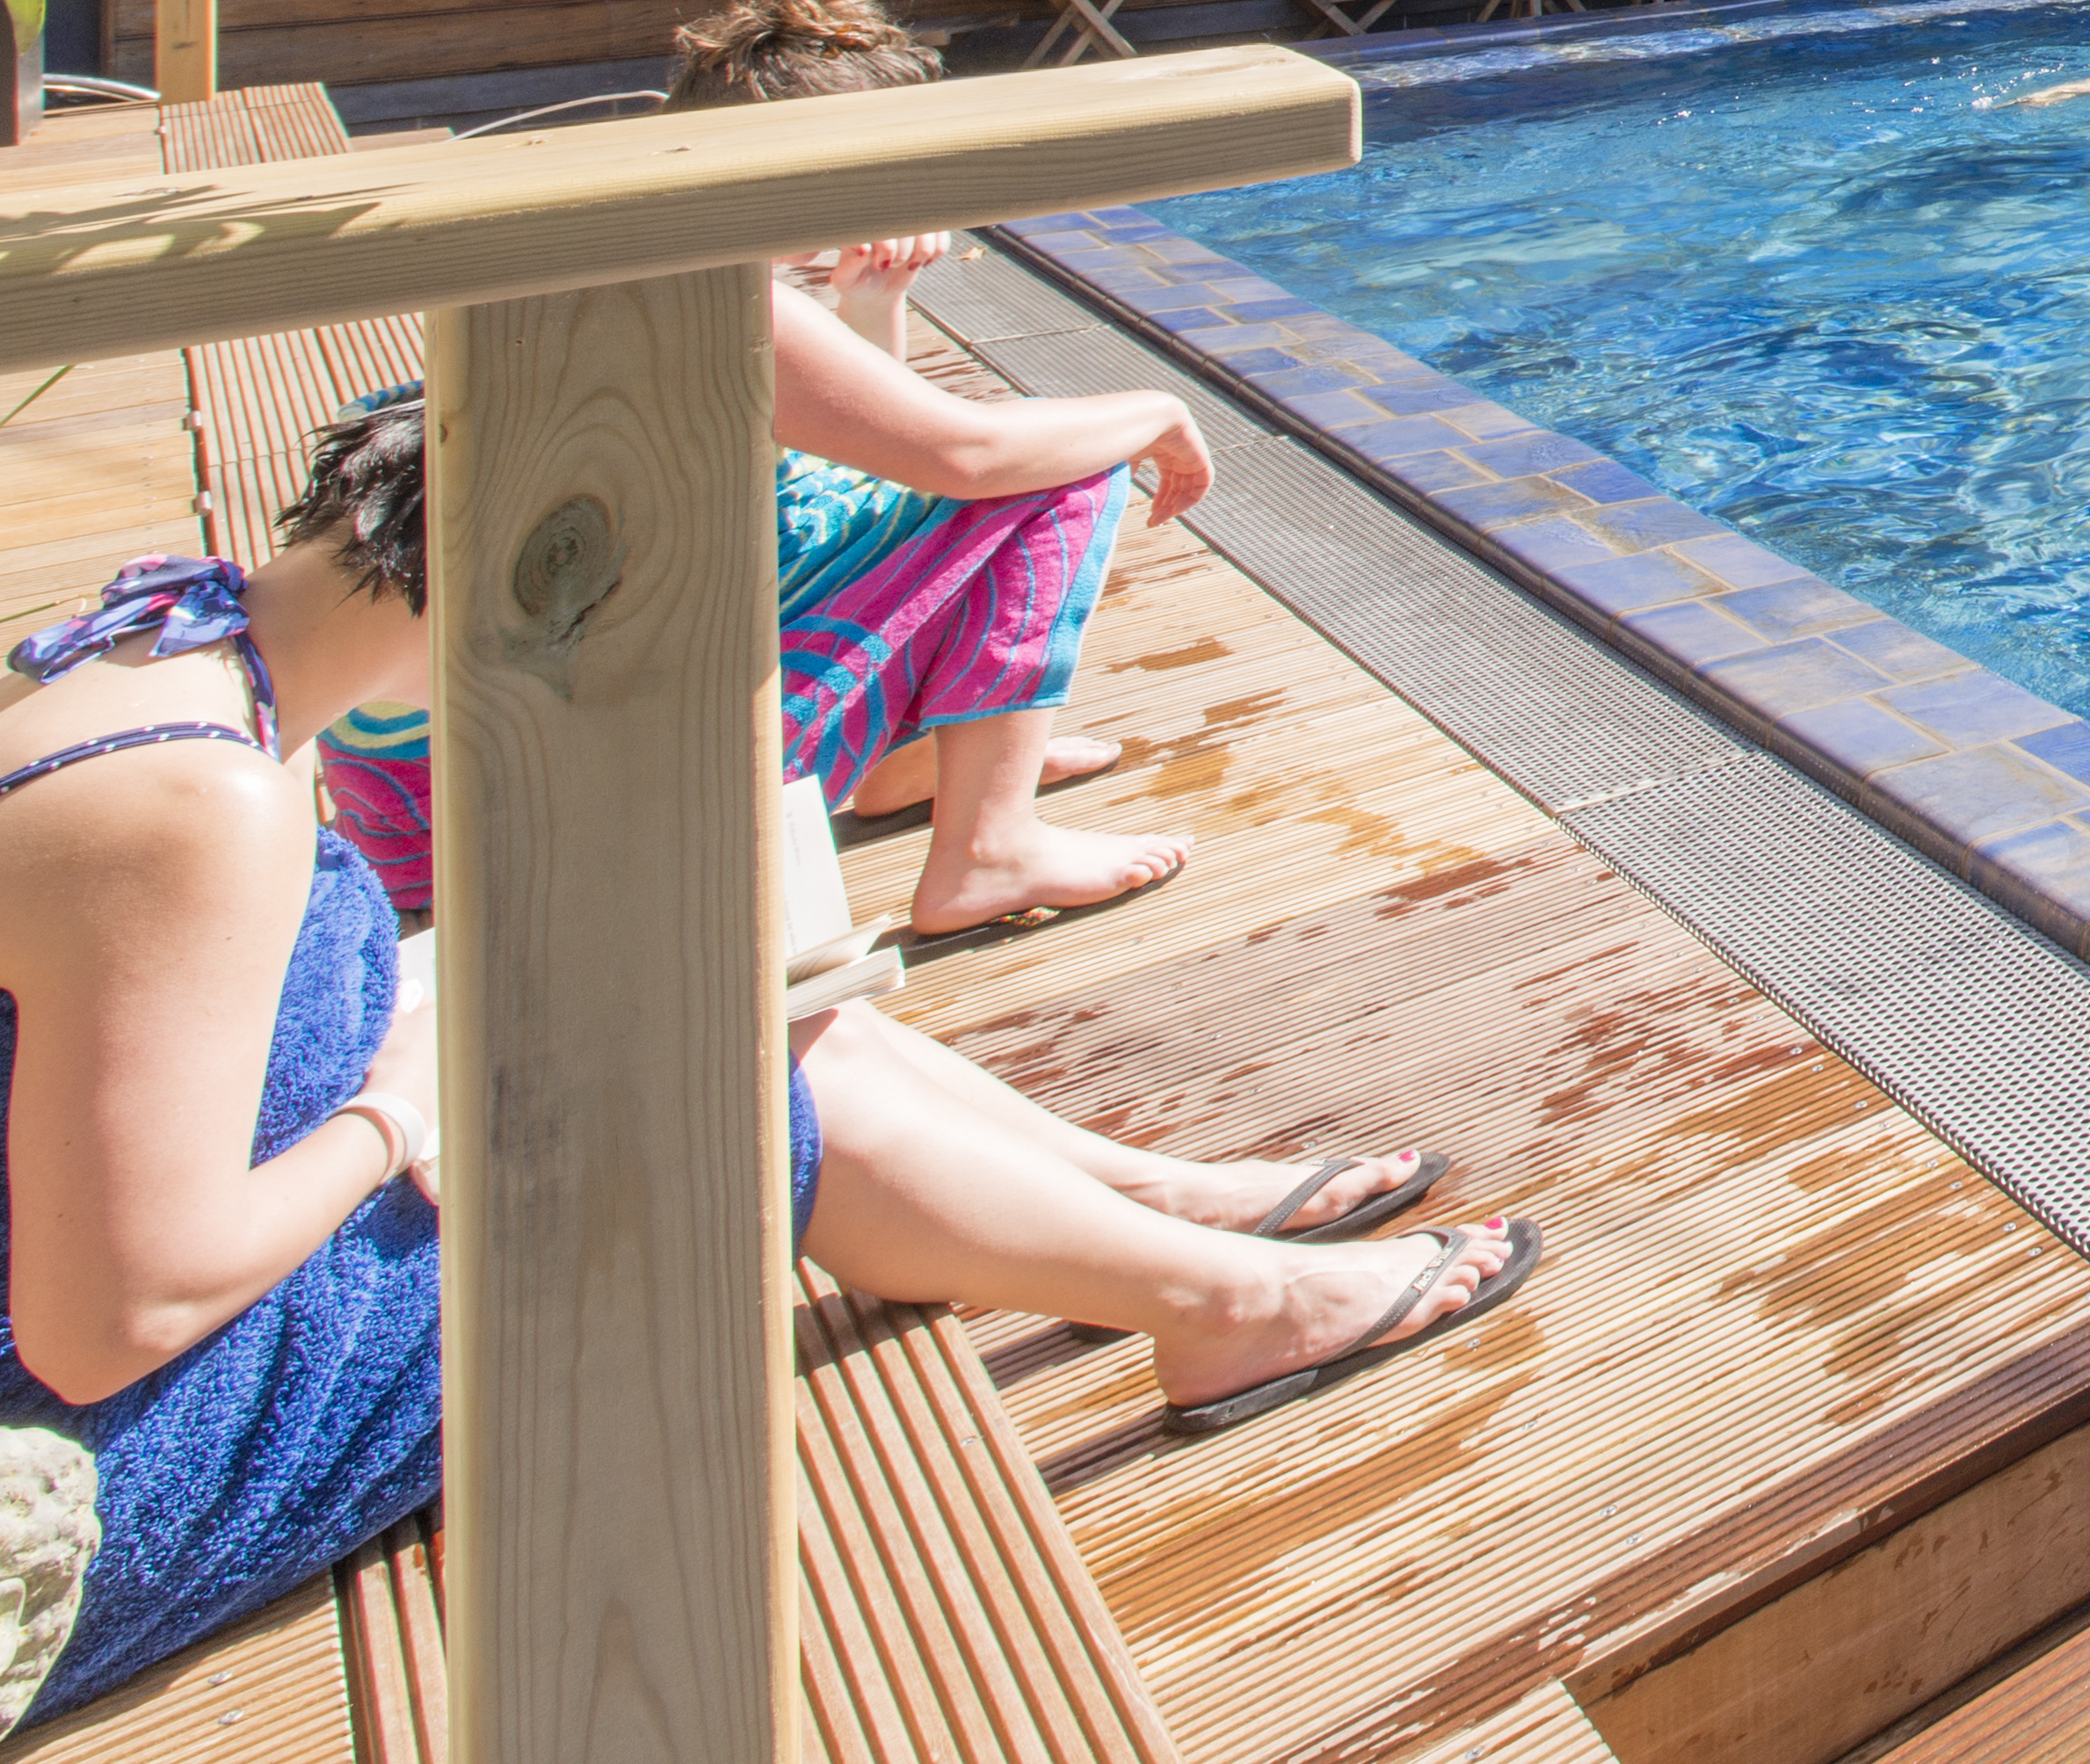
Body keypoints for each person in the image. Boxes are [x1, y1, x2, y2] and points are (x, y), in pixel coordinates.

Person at [0, 406, 1538, 1717]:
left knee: (751, 1000)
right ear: (552, 601)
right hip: (96, 1470)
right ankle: (1230, 1299)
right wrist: (401, 1101)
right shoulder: (199, 812)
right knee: (708, 1074)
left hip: (89, 1289)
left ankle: (1173, 1216)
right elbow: (111, 1319)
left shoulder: (157, 630)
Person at [312, 0, 1203, 948]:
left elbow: (861, 472)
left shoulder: (630, 242)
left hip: (417, 811)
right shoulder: (722, 299)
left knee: (879, 499)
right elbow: (966, 456)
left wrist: (870, 306)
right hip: (545, 806)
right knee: (1066, 470)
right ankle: (990, 846)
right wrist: (1156, 406)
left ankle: (909, 761)